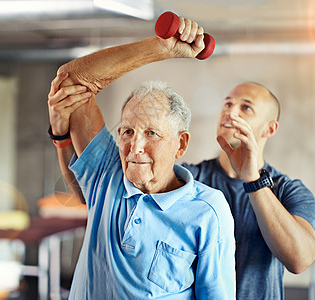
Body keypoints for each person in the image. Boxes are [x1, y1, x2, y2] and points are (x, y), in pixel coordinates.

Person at [47, 18, 236, 299]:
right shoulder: (109, 175)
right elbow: (72, 80)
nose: (135, 146)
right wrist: (162, 47)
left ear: (181, 144)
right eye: (127, 131)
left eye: (151, 133)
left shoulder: (208, 210)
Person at [181, 82, 315, 299]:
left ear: (269, 128)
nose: (230, 111)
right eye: (227, 103)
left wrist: (252, 179)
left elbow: (299, 260)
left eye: (245, 107)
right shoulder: (188, 179)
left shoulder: (290, 191)